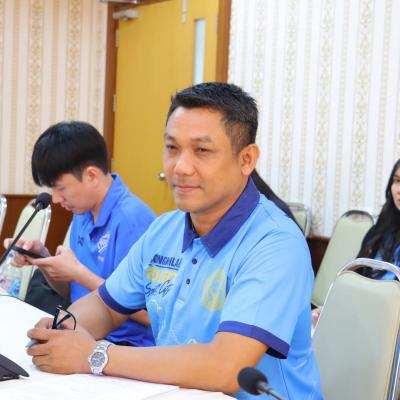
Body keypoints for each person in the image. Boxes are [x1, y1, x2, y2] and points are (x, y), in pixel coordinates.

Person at [26, 83, 322, 399]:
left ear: (246, 159)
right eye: (172, 148)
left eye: (202, 150)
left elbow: (227, 367)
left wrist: (95, 355)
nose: (180, 167)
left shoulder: (275, 243)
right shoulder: (164, 230)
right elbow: (106, 306)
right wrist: (64, 330)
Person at [8, 121, 155, 347]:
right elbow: (71, 292)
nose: (55, 199)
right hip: (82, 331)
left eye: (61, 188)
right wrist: (44, 260)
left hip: (124, 346)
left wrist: (78, 273)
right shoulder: (82, 212)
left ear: (91, 176)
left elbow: (150, 315)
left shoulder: (132, 220)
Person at [312, 158, 400, 326]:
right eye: (396, 181)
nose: (399, 190)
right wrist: (331, 309)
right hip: (363, 315)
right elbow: (356, 278)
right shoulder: (381, 230)